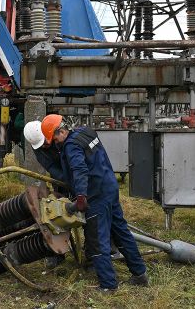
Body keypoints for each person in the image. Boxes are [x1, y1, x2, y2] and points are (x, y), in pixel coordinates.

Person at [41, 114, 148, 292]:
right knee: (121, 232)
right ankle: (140, 274)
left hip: (95, 195)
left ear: (61, 131)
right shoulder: (87, 132)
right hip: (110, 187)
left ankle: (108, 285)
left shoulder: (71, 146)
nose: (55, 142)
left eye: (55, 138)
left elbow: (80, 169)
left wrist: (81, 196)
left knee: (97, 240)